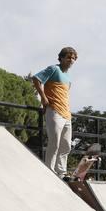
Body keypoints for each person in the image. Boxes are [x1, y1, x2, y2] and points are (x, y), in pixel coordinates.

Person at [31, 47, 77, 178]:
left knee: (66, 145)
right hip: (54, 111)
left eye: (73, 58)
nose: (71, 60)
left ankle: (61, 172)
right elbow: (36, 79)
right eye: (68, 57)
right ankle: (49, 171)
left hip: (66, 114)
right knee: (54, 142)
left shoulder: (68, 78)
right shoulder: (54, 69)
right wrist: (44, 98)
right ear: (61, 58)